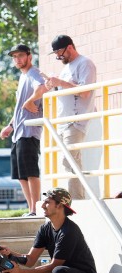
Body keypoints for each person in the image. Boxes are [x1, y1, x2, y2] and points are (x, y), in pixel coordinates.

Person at [0, 187, 99, 273]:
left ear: (59, 205)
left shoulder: (69, 231)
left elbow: (53, 267)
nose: (42, 206)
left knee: (58, 271)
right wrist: (10, 254)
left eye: (47, 202)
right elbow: (30, 260)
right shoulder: (45, 229)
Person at [44, 35, 97, 199]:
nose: (58, 56)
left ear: (70, 47)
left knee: (69, 162)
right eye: (55, 54)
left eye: (59, 52)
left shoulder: (85, 63)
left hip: (76, 120)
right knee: (73, 162)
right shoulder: (66, 68)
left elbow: (85, 92)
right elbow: (65, 91)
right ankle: (78, 199)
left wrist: (61, 82)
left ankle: (75, 200)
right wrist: (52, 85)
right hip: (63, 121)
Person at [0, 44, 47, 217]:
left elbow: (43, 88)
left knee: (30, 172)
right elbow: (20, 107)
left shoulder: (34, 73)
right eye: (15, 57)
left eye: (21, 56)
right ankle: (31, 209)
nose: (18, 59)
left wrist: (31, 101)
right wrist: (10, 126)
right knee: (21, 175)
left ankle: (35, 209)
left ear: (29, 56)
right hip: (18, 132)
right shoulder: (23, 76)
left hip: (29, 131)